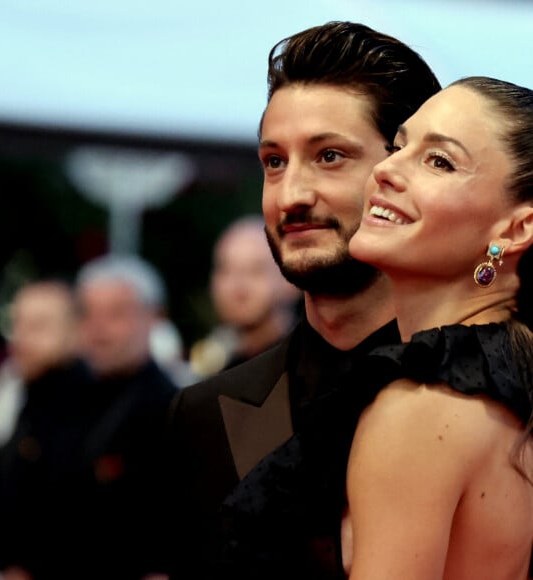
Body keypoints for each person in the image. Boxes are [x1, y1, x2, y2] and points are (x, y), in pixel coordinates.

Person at [164, 21, 441, 578]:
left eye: (329, 156)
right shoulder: (203, 416)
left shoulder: (490, 396)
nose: (291, 195)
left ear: (409, 173)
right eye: (274, 162)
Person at [341, 76, 533, 579]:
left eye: (439, 161)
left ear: (515, 229)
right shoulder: (513, 387)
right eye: (398, 146)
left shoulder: (422, 408)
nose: (385, 170)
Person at [0, 280, 91, 579]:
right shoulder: (19, 389)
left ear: (75, 330)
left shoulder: (86, 405)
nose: (21, 337)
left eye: (38, 326)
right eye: (18, 324)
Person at [75, 253, 178, 579]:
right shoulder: (63, 399)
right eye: (87, 313)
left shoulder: (174, 409)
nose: (98, 328)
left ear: (153, 319)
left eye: (116, 314)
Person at [190, 214, 300, 378]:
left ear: (291, 281)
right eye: (225, 271)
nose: (237, 287)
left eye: (255, 271)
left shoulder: (313, 368)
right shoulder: (212, 373)